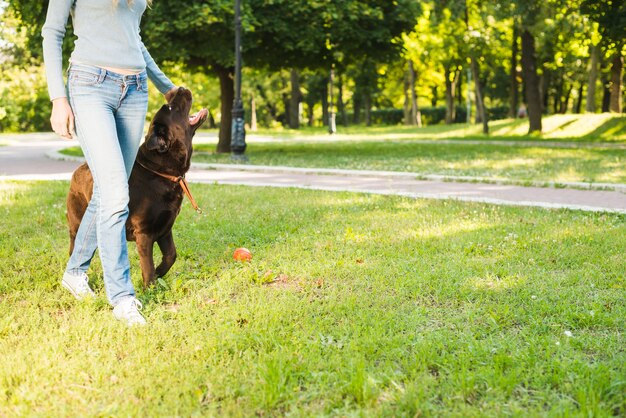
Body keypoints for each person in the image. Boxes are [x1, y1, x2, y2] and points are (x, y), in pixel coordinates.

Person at [42, 0, 177, 325]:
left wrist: (166, 86)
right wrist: (58, 99)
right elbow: (52, 32)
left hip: (134, 90)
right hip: (90, 84)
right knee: (118, 193)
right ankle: (122, 298)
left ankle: (75, 272)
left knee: (108, 190)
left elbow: (134, 39)